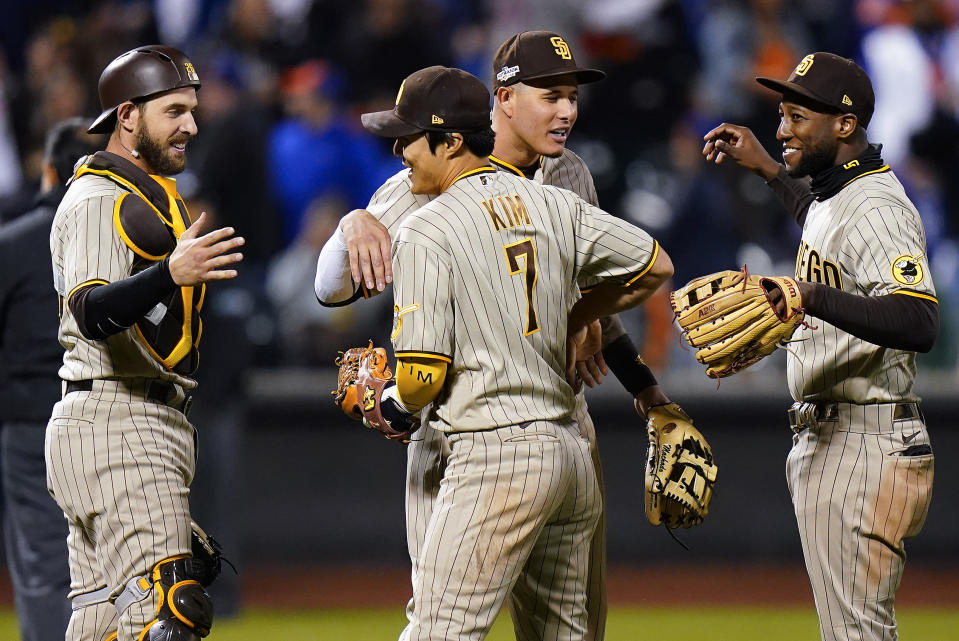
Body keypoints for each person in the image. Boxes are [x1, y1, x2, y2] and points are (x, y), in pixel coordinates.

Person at [315, 31, 682, 641]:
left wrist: (637, 381)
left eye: (571, 97)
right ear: (504, 99)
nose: (566, 110)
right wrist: (357, 221)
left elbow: (602, 300)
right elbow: (331, 287)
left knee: (458, 626)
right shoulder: (416, 185)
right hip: (472, 433)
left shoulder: (564, 178)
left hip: (512, 428)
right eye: (551, 95)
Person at [702, 52, 938, 641]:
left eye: (798, 116)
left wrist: (806, 294)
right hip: (850, 437)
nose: (782, 129)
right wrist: (766, 170)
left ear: (845, 124)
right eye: (782, 114)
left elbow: (918, 318)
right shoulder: (843, 194)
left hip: (861, 441)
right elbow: (828, 225)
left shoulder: (878, 205)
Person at [46, 45, 243, 641]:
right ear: (128, 116)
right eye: (175, 110)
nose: (191, 124)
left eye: (192, 109)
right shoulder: (99, 197)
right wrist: (168, 274)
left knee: (102, 626)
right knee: (167, 619)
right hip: (119, 422)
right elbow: (91, 311)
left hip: (121, 426)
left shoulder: (148, 196)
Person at [0, 118, 102, 641]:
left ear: (47, 171)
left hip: (27, 421)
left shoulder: (12, 244)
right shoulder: (122, 236)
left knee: (44, 562)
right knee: (114, 566)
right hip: (102, 416)